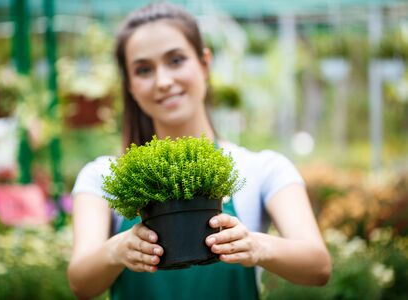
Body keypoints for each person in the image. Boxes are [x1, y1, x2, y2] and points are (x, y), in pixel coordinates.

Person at [68, 2, 331, 299]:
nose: (164, 81)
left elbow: (318, 266)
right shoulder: (103, 176)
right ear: (129, 85)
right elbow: (81, 282)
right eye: (143, 70)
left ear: (205, 63)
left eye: (176, 60)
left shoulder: (262, 169)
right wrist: (115, 250)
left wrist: (257, 246)